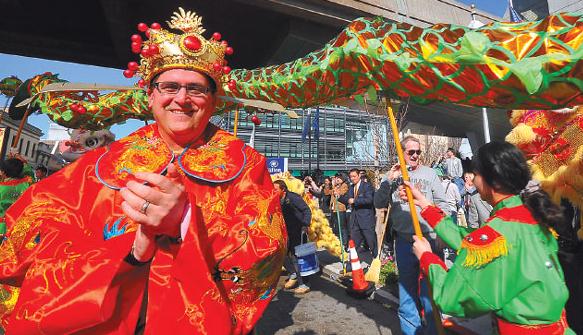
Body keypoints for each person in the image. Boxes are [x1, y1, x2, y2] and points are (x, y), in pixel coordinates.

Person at [0, 9, 286, 334]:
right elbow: (32, 232)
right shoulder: (105, 163)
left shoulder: (246, 163)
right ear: (150, 96)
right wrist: (134, 248)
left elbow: (267, 252)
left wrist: (185, 223)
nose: (182, 99)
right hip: (110, 319)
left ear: (213, 100)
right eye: (169, 87)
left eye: (196, 89)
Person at [407, 141, 574, 334]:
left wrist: (427, 258)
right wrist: (426, 205)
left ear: (492, 180)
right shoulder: (532, 217)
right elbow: (473, 243)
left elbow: (452, 298)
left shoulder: (500, 231)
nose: (472, 181)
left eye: (476, 175)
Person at [374, 136, 447, 335]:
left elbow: (443, 203)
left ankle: (432, 331)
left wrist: (442, 229)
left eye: (418, 152)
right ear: (402, 153)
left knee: (430, 294)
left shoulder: (430, 174)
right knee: (407, 293)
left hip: (428, 239)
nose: (415, 155)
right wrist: (388, 180)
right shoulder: (391, 176)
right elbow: (379, 203)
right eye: (411, 152)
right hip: (404, 242)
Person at [273, 180, 312, 295]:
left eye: (276, 189)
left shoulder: (293, 197)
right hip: (286, 232)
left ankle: (304, 284)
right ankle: (293, 274)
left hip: (298, 231)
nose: (274, 191)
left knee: (297, 257)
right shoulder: (277, 199)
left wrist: (305, 224)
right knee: (281, 254)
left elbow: (306, 210)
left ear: (283, 189)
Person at [339, 168, 377, 262]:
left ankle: (377, 263)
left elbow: (369, 200)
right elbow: (347, 199)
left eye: (354, 176)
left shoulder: (367, 186)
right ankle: (351, 266)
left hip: (366, 220)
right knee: (354, 244)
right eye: (351, 177)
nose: (352, 178)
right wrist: (339, 197)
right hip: (355, 221)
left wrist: (355, 201)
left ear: (359, 175)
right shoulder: (351, 187)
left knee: (372, 243)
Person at [327, 173, 349, 250]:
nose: (337, 180)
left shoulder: (344, 185)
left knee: (343, 227)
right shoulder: (335, 186)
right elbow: (327, 192)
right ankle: (340, 241)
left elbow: (340, 193)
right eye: (336, 178)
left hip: (340, 209)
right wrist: (328, 184)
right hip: (334, 209)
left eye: (339, 178)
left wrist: (333, 186)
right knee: (336, 226)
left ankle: (345, 244)